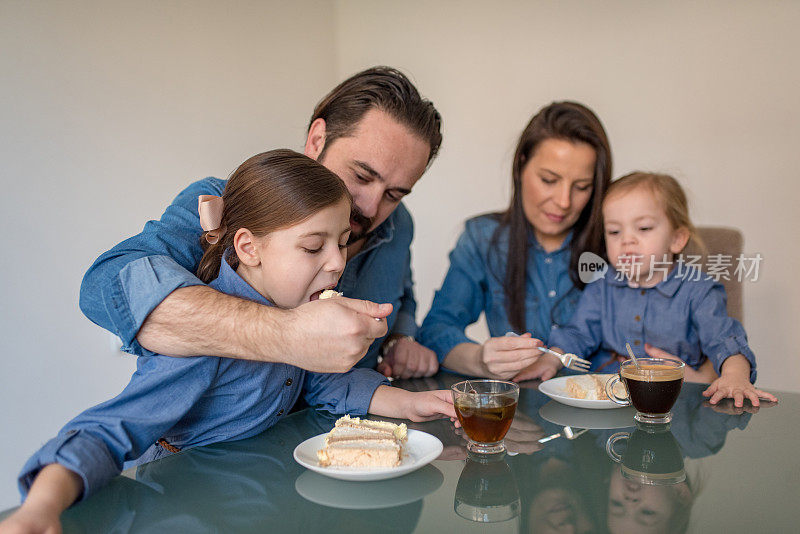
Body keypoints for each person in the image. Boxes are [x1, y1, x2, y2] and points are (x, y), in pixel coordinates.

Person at [1, 150, 456, 533]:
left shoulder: (295, 311)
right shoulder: (204, 343)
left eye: (341, 242)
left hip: (269, 498)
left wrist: (413, 405)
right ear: (249, 248)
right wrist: (40, 508)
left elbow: (326, 385)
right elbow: (108, 432)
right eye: (314, 247)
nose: (337, 264)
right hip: (184, 505)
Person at [78, 66, 442, 379]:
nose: (371, 207)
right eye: (361, 176)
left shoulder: (399, 226)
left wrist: (400, 339)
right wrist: (286, 334)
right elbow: (105, 286)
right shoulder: (220, 206)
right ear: (317, 139)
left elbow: (403, 294)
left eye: (395, 194)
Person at [525, 172, 778, 406]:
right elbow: (578, 334)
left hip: (677, 404)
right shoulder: (602, 284)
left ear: (677, 238)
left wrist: (735, 377)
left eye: (643, 228)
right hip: (610, 404)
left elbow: (726, 340)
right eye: (614, 231)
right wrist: (552, 358)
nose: (627, 240)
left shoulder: (698, 290)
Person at [417, 101, 612, 379]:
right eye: (548, 180)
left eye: (581, 187)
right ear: (521, 167)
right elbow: (436, 329)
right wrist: (481, 360)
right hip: (520, 412)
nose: (563, 201)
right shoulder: (483, 239)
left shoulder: (619, 243)